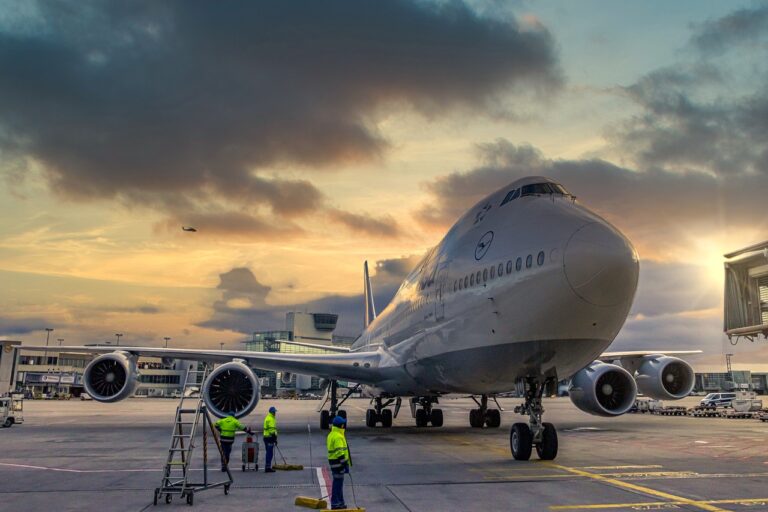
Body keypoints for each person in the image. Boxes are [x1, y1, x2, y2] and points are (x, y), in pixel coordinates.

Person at [327, 415, 351, 510]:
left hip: (334, 463)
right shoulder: (338, 436)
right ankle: (335, 503)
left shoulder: (332, 434)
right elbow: (340, 452)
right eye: (343, 424)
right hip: (338, 464)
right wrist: (345, 464)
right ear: (341, 426)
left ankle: (340, 502)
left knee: (338, 483)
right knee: (338, 484)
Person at [263, 406, 278, 473]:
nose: (275, 413)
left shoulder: (268, 417)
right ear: (272, 412)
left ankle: (268, 466)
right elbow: (272, 430)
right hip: (270, 438)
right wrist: (274, 439)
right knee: (269, 453)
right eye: (274, 412)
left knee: (268, 452)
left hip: (266, 437)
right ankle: (268, 467)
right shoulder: (271, 419)